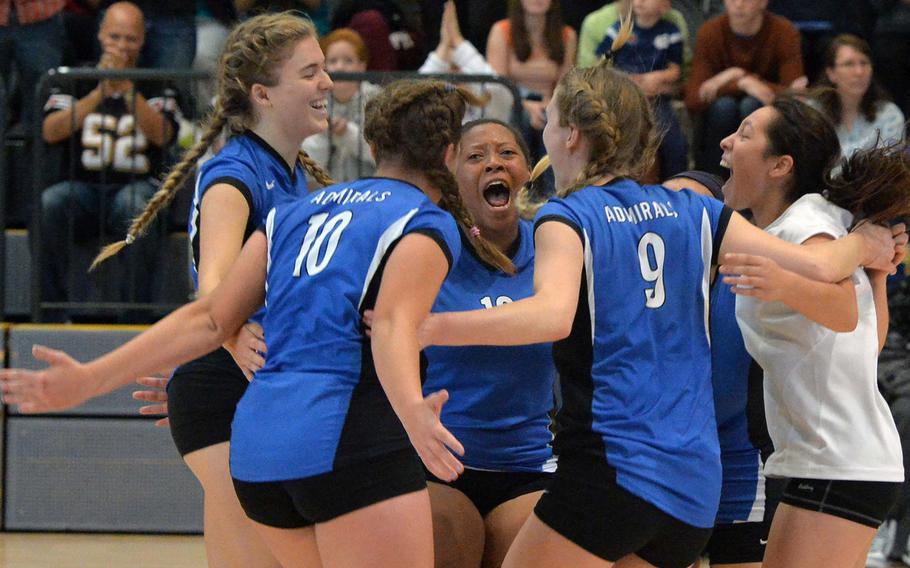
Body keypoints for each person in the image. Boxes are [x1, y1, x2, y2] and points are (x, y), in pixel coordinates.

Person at [418, 24, 903, 568]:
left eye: (550, 118)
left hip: (615, 471)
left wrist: (430, 324)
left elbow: (551, 316)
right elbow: (818, 266)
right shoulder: (695, 210)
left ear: (572, 134)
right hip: (694, 491)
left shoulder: (568, 214)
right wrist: (865, 244)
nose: (545, 131)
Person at [0, 78, 512, 568]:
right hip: (348, 437)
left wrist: (90, 378)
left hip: (258, 450)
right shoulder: (423, 220)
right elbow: (393, 326)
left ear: (374, 144)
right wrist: (413, 415)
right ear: (447, 154)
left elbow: (209, 318)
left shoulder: (294, 211)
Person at [93, 11, 335, 568]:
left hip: (257, 391)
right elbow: (216, 288)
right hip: (227, 396)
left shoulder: (291, 170)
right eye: (311, 71)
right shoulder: (235, 174)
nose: (327, 83)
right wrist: (217, 346)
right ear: (263, 94)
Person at [717, 95, 910, 568]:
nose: (725, 140)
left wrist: (783, 281)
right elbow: (865, 341)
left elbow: (843, 313)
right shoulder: (814, 222)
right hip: (840, 458)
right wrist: (879, 278)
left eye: (744, 134)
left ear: (781, 165)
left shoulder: (805, 223)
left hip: (838, 459)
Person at [423, 119, 556, 568]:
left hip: (527, 466)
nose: (493, 162)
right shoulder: (428, 247)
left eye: (507, 153)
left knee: (538, 537)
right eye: (475, 156)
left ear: (529, 170)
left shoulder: (555, 246)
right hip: (438, 465)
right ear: (451, 176)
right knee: (444, 530)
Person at [665, 170, 781, 568]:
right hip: (661, 472)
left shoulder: (751, 286)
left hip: (740, 468)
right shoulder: (635, 290)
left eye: (694, 208)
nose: (678, 218)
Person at [40, 1, 180, 322]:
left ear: (143, 40)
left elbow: (163, 134)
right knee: (50, 203)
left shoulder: (158, 81)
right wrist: (99, 92)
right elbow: (50, 130)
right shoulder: (75, 76)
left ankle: (134, 314)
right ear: (100, 35)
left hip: (137, 186)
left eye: (130, 39)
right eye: (114, 37)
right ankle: (50, 311)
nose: (121, 46)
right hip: (83, 188)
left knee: (135, 206)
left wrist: (128, 90)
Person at [685, 0, 805, 177]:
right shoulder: (710, 32)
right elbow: (694, 98)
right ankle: (712, 182)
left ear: (763, 3)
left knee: (751, 105)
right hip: (717, 121)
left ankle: (756, 179)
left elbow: (796, 95)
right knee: (724, 107)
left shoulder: (784, 31)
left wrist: (730, 80)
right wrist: (740, 80)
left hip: (768, 120)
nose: (739, 5)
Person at [485, 0, 577, 160]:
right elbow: (499, 86)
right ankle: (522, 180)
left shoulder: (567, 35)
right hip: (512, 102)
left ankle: (555, 182)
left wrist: (550, 105)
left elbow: (565, 85)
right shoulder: (501, 30)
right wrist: (526, 105)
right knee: (525, 118)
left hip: (551, 102)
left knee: (555, 119)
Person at [607, 0, 688, 179]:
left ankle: (675, 185)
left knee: (674, 142)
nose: (640, 1)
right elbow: (606, 65)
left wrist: (656, 77)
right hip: (623, 99)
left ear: (665, 5)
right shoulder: (619, 30)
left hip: (656, 100)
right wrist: (627, 81)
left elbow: (676, 70)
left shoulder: (671, 32)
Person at [419, 0, 514, 124]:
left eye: (460, 75)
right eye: (449, 80)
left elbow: (498, 87)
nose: (454, 85)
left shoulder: (486, 111)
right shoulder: (429, 120)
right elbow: (414, 94)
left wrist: (457, 41)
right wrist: (444, 47)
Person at [302, 28, 378, 183]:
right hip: (324, 195)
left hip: (370, 193)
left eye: (348, 61)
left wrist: (347, 133)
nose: (340, 67)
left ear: (362, 65)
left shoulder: (377, 98)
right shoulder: (312, 99)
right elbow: (306, 171)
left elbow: (385, 156)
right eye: (333, 61)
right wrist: (323, 134)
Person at [813, 34, 905, 160]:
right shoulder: (812, 113)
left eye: (864, 63)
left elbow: (888, 169)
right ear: (831, 73)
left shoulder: (889, 114)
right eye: (849, 64)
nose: (859, 72)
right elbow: (811, 164)